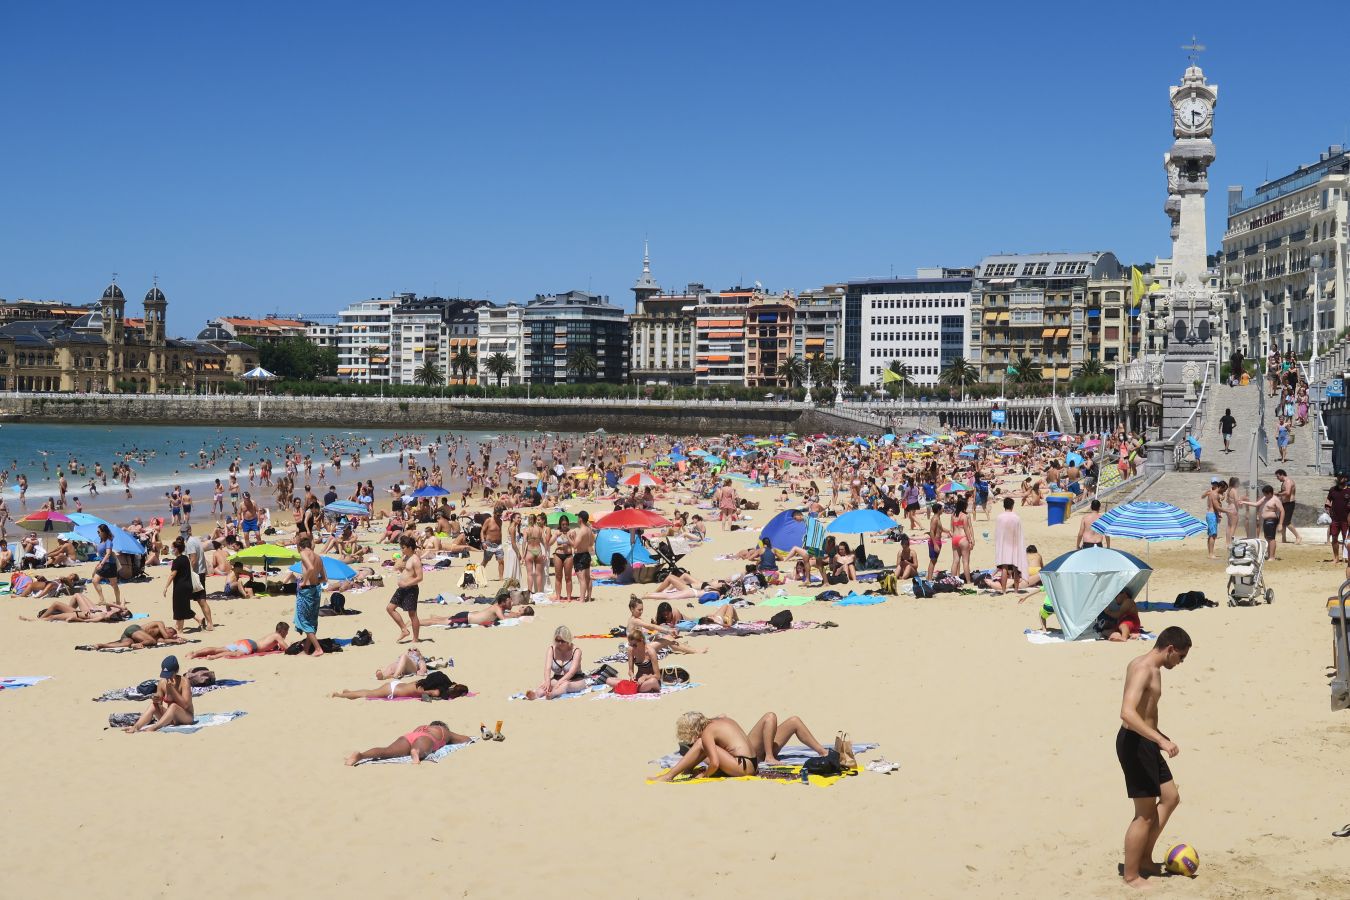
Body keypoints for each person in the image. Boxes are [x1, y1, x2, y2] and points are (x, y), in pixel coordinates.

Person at [1116, 626, 1191, 888]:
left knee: (1170, 797)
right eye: (1180, 657)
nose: (1180, 663)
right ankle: (1132, 875)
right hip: (1135, 744)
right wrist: (1159, 739)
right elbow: (1127, 712)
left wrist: (1160, 737)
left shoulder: (1154, 669)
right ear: (1170, 649)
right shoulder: (1142, 668)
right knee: (1144, 814)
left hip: (1147, 741)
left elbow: (1145, 712)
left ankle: (1145, 859)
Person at [652, 711, 831, 781]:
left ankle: (669, 776)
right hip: (751, 761)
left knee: (701, 745)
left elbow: (714, 763)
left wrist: (704, 775)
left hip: (744, 766)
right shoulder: (721, 721)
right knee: (702, 746)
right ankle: (824, 752)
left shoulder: (706, 734)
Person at [344, 720, 473, 766]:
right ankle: (416, 752)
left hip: (408, 736)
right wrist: (449, 738)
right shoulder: (443, 731)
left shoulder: (422, 726)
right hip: (425, 738)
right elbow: (465, 739)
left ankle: (360, 755)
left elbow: (416, 736)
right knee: (420, 748)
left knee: (387, 751)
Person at [123, 655, 194, 733]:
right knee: (153, 705)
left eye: (170, 674)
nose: (168, 677)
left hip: (186, 717)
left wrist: (172, 689)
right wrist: (156, 699)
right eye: (166, 675)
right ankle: (136, 727)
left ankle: (154, 728)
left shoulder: (184, 682)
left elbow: (185, 705)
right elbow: (159, 704)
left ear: (176, 671)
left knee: (173, 706)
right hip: (171, 719)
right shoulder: (162, 683)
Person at [525, 625, 592, 700]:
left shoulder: (576, 651)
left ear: (568, 639)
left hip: (576, 679)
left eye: (562, 641)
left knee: (565, 685)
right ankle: (536, 695)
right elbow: (547, 668)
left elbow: (571, 672)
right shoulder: (551, 649)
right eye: (557, 640)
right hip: (557, 678)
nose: (560, 643)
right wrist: (547, 681)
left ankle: (552, 694)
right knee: (544, 685)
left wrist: (559, 683)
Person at [386, 534, 424, 644]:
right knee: (390, 608)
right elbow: (396, 568)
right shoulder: (406, 557)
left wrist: (407, 584)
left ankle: (415, 639)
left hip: (411, 589)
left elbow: (420, 577)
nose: (402, 549)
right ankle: (404, 629)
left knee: (412, 614)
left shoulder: (415, 559)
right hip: (402, 589)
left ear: (410, 547)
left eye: (403, 547)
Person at [331, 670, 467, 701]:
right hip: (394, 690)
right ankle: (340, 695)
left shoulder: (441, 680)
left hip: (398, 685)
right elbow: (424, 694)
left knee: (370, 691)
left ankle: (348, 691)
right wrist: (430, 698)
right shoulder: (437, 691)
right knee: (367, 694)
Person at [605, 628, 662, 694]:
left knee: (653, 681)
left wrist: (645, 677)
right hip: (637, 682)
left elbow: (657, 676)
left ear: (641, 640)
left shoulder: (650, 652)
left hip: (649, 680)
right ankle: (632, 688)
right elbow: (630, 670)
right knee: (608, 680)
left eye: (634, 645)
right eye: (630, 644)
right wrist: (632, 675)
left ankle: (627, 688)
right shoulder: (631, 650)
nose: (632, 647)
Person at [162, 537, 200, 634]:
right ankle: (198, 619)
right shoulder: (186, 559)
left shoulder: (177, 561)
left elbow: (172, 574)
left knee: (178, 607)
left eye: (172, 548)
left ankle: (180, 629)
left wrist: (166, 586)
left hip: (180, 587)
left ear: (176, 549)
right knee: (184, 606)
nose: (171, 550)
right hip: (188, 586)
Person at [188, 623, 290, 659]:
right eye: (287, 632)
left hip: (246, 641)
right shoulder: (278, 636)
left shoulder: (272, 635)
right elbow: (287, 649)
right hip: (251, 646)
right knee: (237, 654)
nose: (287, 634)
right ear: (282, 630)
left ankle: (194, 653)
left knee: (218, 649)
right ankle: (214, 657)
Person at [295, 535, 325, 656]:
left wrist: (303, 582)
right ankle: (307, 649)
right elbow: (324, 578)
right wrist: (314, 581)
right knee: (312, 620)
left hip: (306, 590)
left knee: (303, 620)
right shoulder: (318, 557)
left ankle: (318, 648)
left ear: (300, 547)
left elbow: (310, 568)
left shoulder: (303, 553)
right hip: (316, 589)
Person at [182, 525, 213, 631]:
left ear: (189, 531)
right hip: (200, 572)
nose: (182, 533)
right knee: (199, 600)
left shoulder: (190, 542)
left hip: (196, 574)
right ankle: (204, 621)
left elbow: (193, 560)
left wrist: (186, 572)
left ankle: (207, 622)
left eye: (184, 531)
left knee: (199, 600)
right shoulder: (196, 540)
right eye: (181, 531)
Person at [994, 497, 1028, 594]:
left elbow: (998, 533)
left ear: (1004, 506)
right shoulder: (1016, 518)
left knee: (1004, 568)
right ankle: (1016, 590)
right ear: (1012, 506)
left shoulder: (1000, 517)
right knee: (1016, 567)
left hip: (1004, 545)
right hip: (1014, 545)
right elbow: (1019, 534)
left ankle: (1004, 591)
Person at [1242, 484, 1284, 561]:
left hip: (1272, 520)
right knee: (1267, 537)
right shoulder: (1265, 498)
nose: (1264, 495)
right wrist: (1244, 502)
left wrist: (1280, 524)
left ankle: (1272, 556)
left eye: (1265, 494)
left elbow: (1282, 511)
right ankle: (1269, 555)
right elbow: (1256, 504)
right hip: (1266, 520)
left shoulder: (1275, 500)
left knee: (1271, 538)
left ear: (1270, 493)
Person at [90, 524, 123, 608]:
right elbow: (102, 555)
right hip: (104, 564)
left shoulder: (108, 542)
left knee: (113, 584)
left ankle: (118, 601)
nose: (98, 533)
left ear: (104, 532)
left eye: (99, 532)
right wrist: (99, 563)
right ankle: (102, 599)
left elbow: (108, 554)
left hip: (109, 565)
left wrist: (101, 564)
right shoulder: (101, 541)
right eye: (97, 532)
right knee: (95, 580)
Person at [93, 620, 183, 650]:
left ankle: (102, 645)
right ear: (167, 628)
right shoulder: (160, 623)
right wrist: (174, 636)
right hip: (134, 629)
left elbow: (163, 640)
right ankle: (135, 645)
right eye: (171, 632)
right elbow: (166, 637)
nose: (169, 634)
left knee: (126, 644)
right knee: (152, 641)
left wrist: (175, 640)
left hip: (130, 636)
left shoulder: (158, 636)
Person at [1324, 473, 1350, 564]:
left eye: (1341, 477)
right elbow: (1328, 500)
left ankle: (1346, 557)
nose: (1339, 478)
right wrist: (1327, 508)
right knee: (1334, 538)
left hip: (1346, 520)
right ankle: (1336, 558)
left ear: (1346, 478)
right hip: (1334, 519)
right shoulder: (1332, 490)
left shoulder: (1349, 491)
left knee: (1346, 540)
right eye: (1338, 477)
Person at [572, 510, 596, 602]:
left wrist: (572, 537)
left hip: (580, 555)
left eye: (578, 518)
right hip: (587, 554)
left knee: (582, 579)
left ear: (580, 519)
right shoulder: (589, 530)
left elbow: (575, 545)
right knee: (587, 578)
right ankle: (588, 597)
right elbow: (591, 542)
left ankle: (582, 599)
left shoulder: (582, 531)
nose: (577, 519)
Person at [1274, 468, 1301, 546]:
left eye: (1278, 476)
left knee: (1286, 522)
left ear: (1282, 475)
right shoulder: (1284, 482)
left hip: (1289, 503)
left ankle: (1298, 537)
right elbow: (1284, 492)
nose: (1277, 478)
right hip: (1285, 503)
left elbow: (1288, 493)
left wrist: (1278, 494)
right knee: (1282, 521)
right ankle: (1284, 538)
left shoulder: (1288, 481)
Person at [1201, 479, 1227, 559]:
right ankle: (1211, 554)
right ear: (1221, 487)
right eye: (1225, 489)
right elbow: (1217, 507)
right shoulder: (1214, 494)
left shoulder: (1213, 493)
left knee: (1211, 535)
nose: (1225, 491)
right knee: (1213, 534)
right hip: (1212, 515)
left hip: (1211, 514)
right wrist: (1228, 511)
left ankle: (1210, 553)